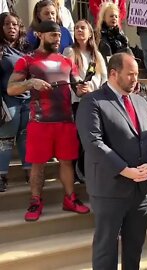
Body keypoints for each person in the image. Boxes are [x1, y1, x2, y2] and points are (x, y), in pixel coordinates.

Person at [76, 52, 147, 270]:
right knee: (106, 250)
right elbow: (94, 144)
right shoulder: (92, 102)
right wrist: (125, 170)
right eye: (130, 74)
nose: (136, 79)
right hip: (110, 191)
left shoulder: (141, 101)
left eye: (137, 74)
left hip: (142, 191)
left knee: (134, 249)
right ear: (114, 74)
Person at [7, 20, 91, 221]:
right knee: (37, 165)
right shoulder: (27, 60)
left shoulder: (67, 61)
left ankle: (70, 198)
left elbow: (77, 85)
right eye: (53, 35)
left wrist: (82, 89)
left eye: (59, 36)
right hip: (39, 122)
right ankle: (35, 201)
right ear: (39, 35)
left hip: (65, 121)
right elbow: (11, 88)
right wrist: (30, 82)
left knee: (67, 163)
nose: (57, 39)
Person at [63, 19, 107, 182]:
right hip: (77, 103)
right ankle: (78, 172)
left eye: (83, 28)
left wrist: (94, 91)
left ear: (90, 33)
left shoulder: (97, 55)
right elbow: (67, 75)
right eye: (76, 28)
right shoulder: (69, 52)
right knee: (78, 140)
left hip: (95, 103)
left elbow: (104, 79)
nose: (79, 30)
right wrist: (77, 89)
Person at [0, 12, 31, 191]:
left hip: (26, 100)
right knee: (5, 140)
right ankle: (2, 176)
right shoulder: (1, 50)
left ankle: (29, 173)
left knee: (25, 138)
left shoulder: (25, 48)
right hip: (7, 100)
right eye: (7, 24)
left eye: (15, 24)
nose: (12, 28)